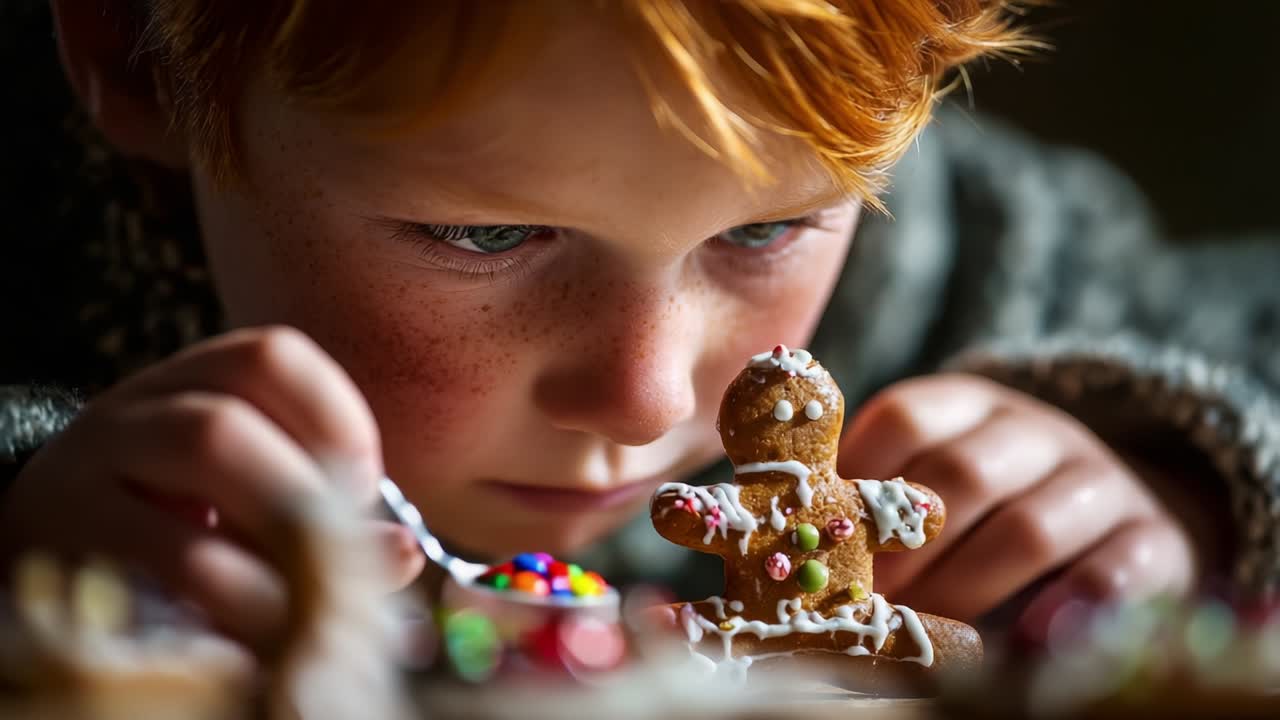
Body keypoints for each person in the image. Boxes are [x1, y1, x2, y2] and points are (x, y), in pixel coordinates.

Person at [1, 0, 1277, 661]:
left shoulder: (944, 226)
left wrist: (1185, 490)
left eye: (766, 234)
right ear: (130, 51)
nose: (647, 399)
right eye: (484, 236)